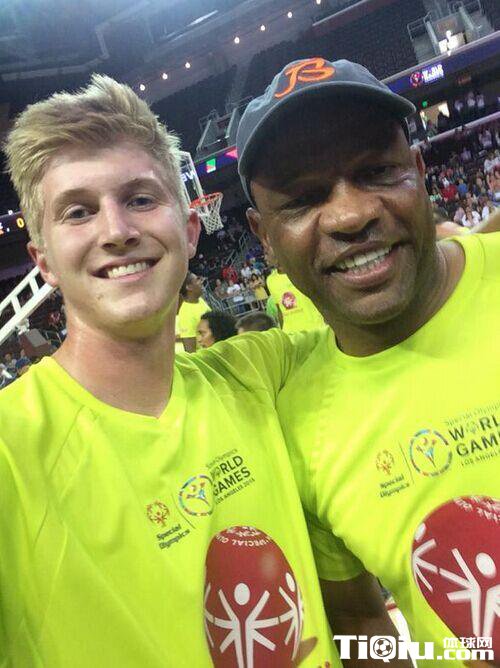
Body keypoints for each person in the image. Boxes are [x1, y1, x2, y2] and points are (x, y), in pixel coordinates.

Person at [0, 73, 350, 667]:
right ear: (45, 262)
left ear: (190, 231)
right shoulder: (13, 448)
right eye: (79, 212)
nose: (117, 231)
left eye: (140, 199)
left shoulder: (262, 371)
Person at [237, 57, 500, 666]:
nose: (351, 215)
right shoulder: (297, 429)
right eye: (303, 199)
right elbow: (359, 622)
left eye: (377, 172)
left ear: (420, 172)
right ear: (263, 236)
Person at [176, 272, 209, 352]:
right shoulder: (186, 315)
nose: (201, 281)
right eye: (197, 279)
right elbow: (190, 351)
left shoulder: (200, 301)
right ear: (189, 287)